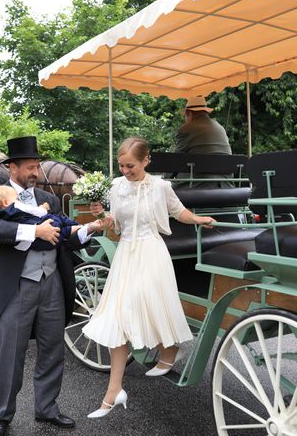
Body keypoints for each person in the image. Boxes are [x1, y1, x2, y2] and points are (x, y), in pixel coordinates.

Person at [0, 136, 105, 436]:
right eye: (31, 167)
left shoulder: (49, 197)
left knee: (52, 349)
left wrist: (92, 227)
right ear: (14, 167)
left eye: (37, 166)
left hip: (52, 283)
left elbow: (64, 233)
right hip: (17, 286)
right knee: (12, 353)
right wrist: (35, 230)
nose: (36, 172)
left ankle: (47, 408)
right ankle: (2, 416)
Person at [83, 137, 215, 418]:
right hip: (126, 255)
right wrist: (104, 217)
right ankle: (114, 391)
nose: (125, 171)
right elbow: (116, 229)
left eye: (130, 165)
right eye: (121, 166)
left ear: (146, 161)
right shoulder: (116, 187)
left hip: (152, 253)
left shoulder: (161, 187)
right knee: (116, 318)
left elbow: (179, 212)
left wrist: (200, 219)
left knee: (139, 301)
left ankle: (170, 348)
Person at [0, 185, 80, 251]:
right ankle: (77, 226)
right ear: (6, 202)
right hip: (44, 232)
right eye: (16, 198)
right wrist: (43, 209)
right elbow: (33, 210)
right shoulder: (16, 205)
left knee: (62, 231)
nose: (18, 200)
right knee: (56, 219)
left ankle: (77, 229)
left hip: (28, 245)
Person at [171, 95, 234, 188]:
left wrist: (164, 178)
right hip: (226, 185)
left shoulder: (186, 129)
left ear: (190, 114)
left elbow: (175, 162)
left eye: (185, 116)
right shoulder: (220, 127)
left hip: (197, 186)